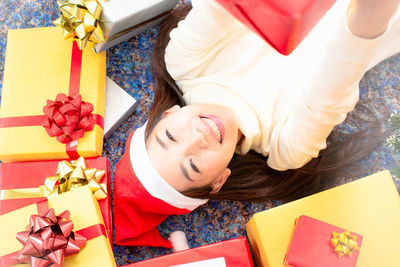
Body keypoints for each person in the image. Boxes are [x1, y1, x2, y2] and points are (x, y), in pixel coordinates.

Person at [113, 0, 400, 248]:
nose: (198, 138)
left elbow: (220, 7)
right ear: (219, 181)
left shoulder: (182, 62)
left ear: (169, 114)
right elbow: (338, 76)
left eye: (171, 137)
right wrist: (374, 10)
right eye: (193, 166)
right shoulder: (285, 149)